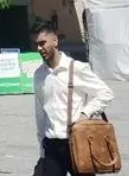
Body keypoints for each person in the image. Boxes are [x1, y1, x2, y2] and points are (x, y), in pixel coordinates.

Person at [33, 19, 112, 176]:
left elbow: (105, 93)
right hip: (51, 145)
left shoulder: (76, 68)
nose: (39, 48)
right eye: (36, 44)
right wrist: (42, 149)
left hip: (77, 141)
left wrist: (85, 113)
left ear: (55, 40)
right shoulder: (39, 74)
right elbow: (40, 113)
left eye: (42, 43)